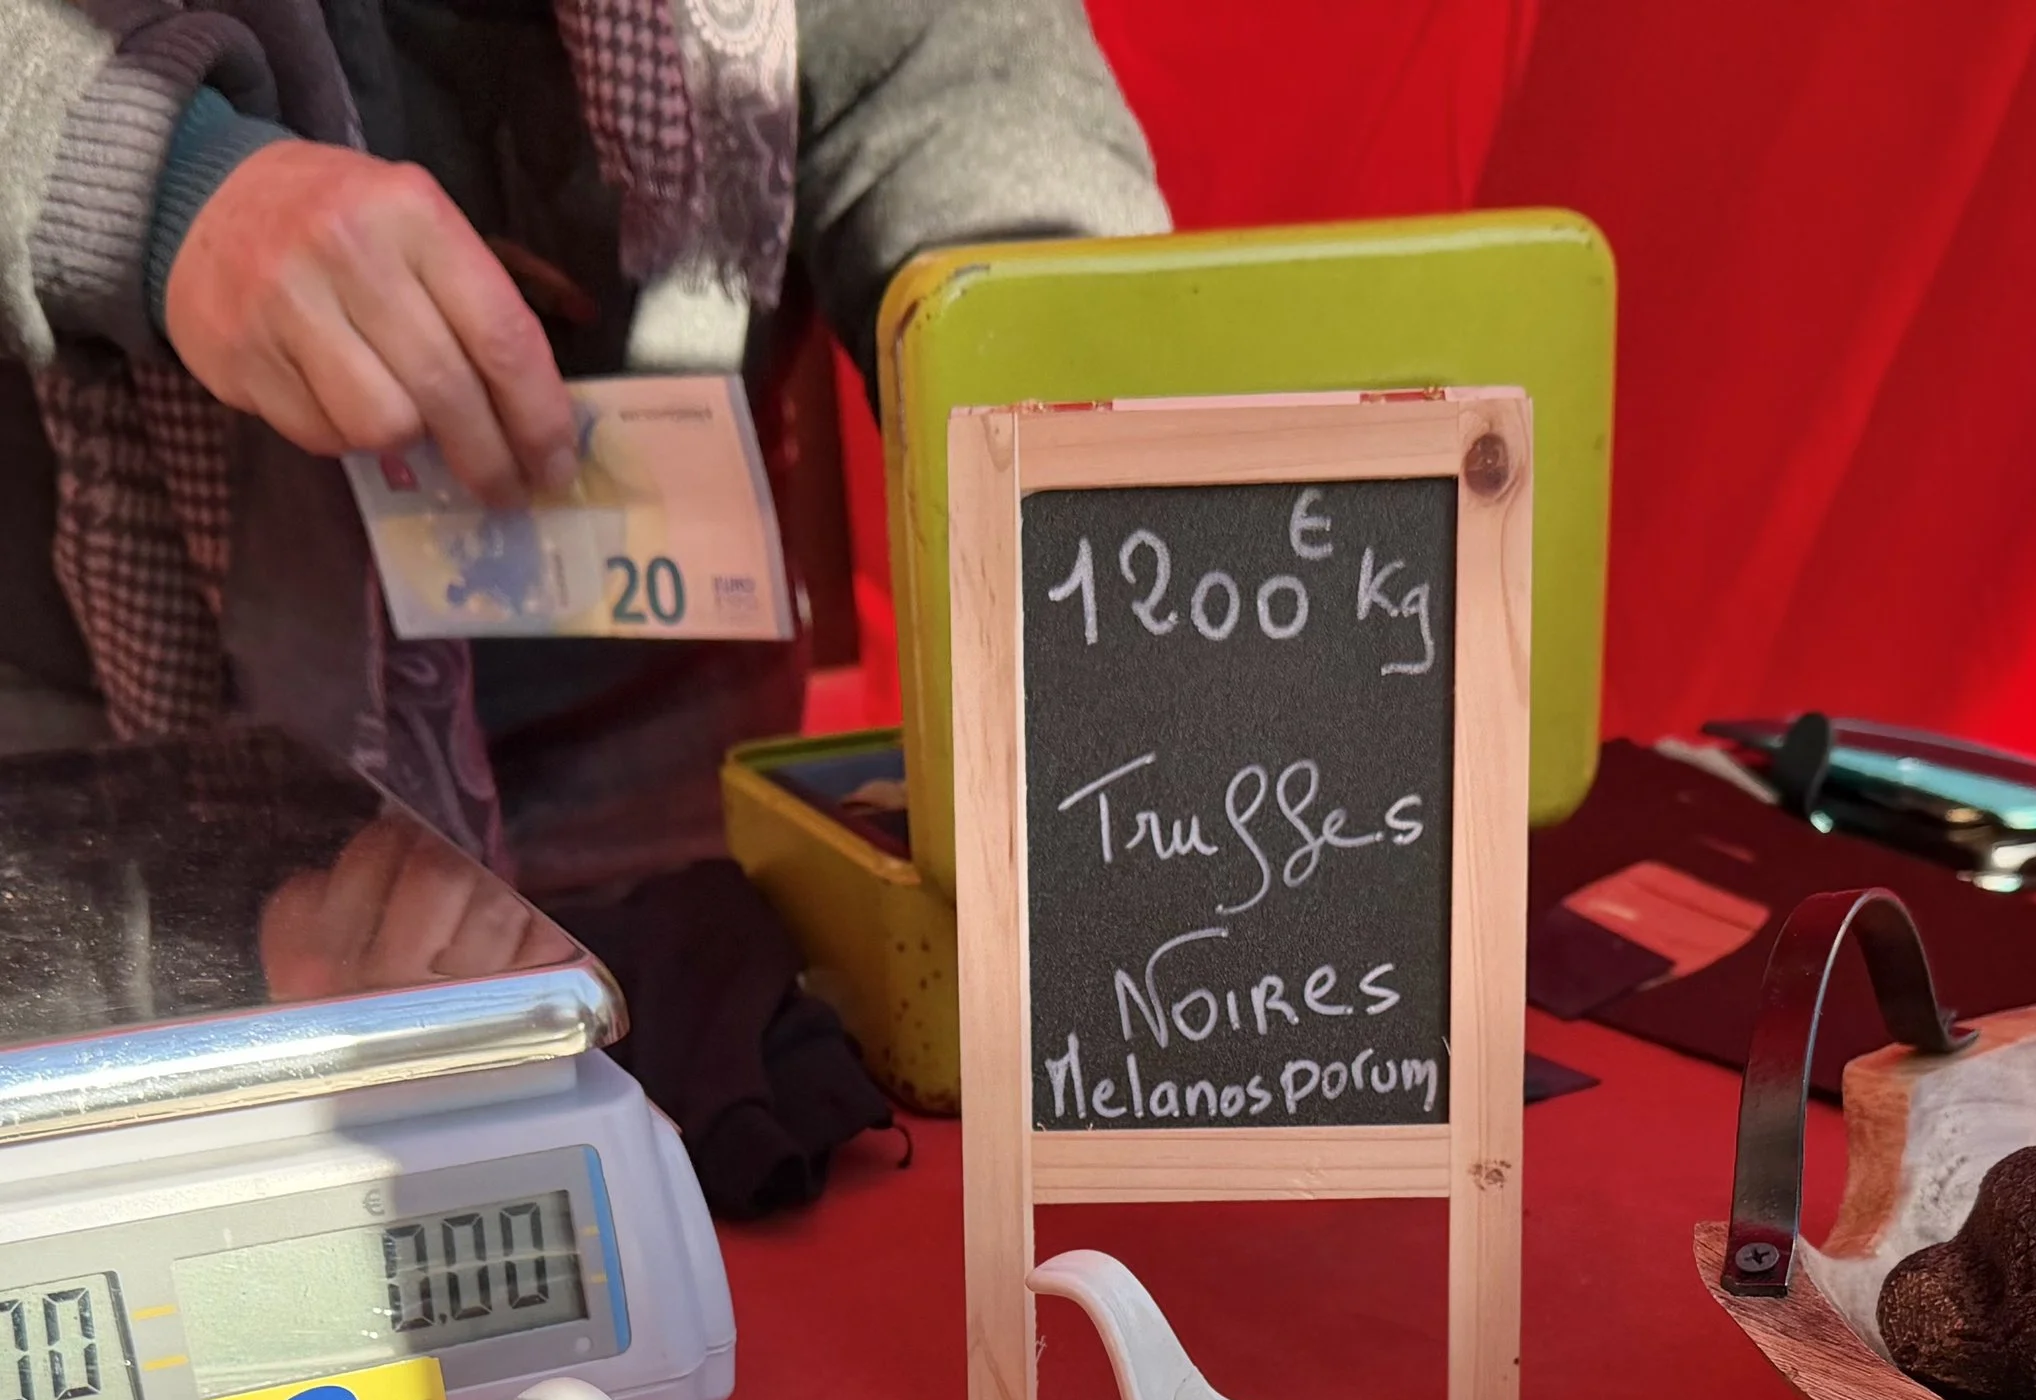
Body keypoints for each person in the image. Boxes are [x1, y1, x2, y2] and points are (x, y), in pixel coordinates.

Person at [2, 0, 1167, 894]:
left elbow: (937, 73)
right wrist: (164, 186)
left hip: (658, 730)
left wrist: (1058, 340)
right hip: (93, 740)